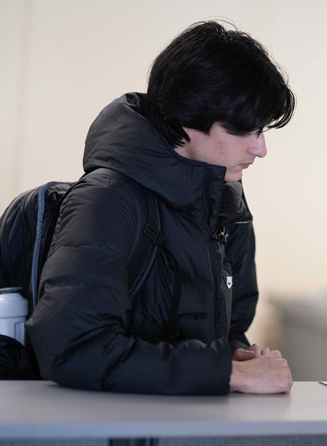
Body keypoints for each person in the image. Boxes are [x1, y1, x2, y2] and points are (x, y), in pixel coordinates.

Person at [27, 21, 295, 395]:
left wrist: (238, 357)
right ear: (188, 118)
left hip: (184, 423)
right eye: (242, 130)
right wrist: (228, 373)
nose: (260, 148)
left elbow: (228, 330)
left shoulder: (224, 200)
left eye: (262, 130)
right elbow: (73, 347)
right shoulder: (108, 198)